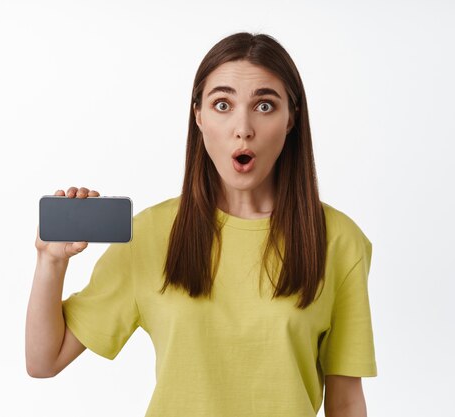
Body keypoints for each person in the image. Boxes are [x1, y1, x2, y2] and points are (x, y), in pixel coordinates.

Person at [26, 32, 377, 417]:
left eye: (264, 106)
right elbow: (45, 361)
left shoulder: (339, 241)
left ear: (291, 118)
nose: (242, 128)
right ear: (198, 115)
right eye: (223, 104)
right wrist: (51, 262)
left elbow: (345, 400)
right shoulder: (150, 234)